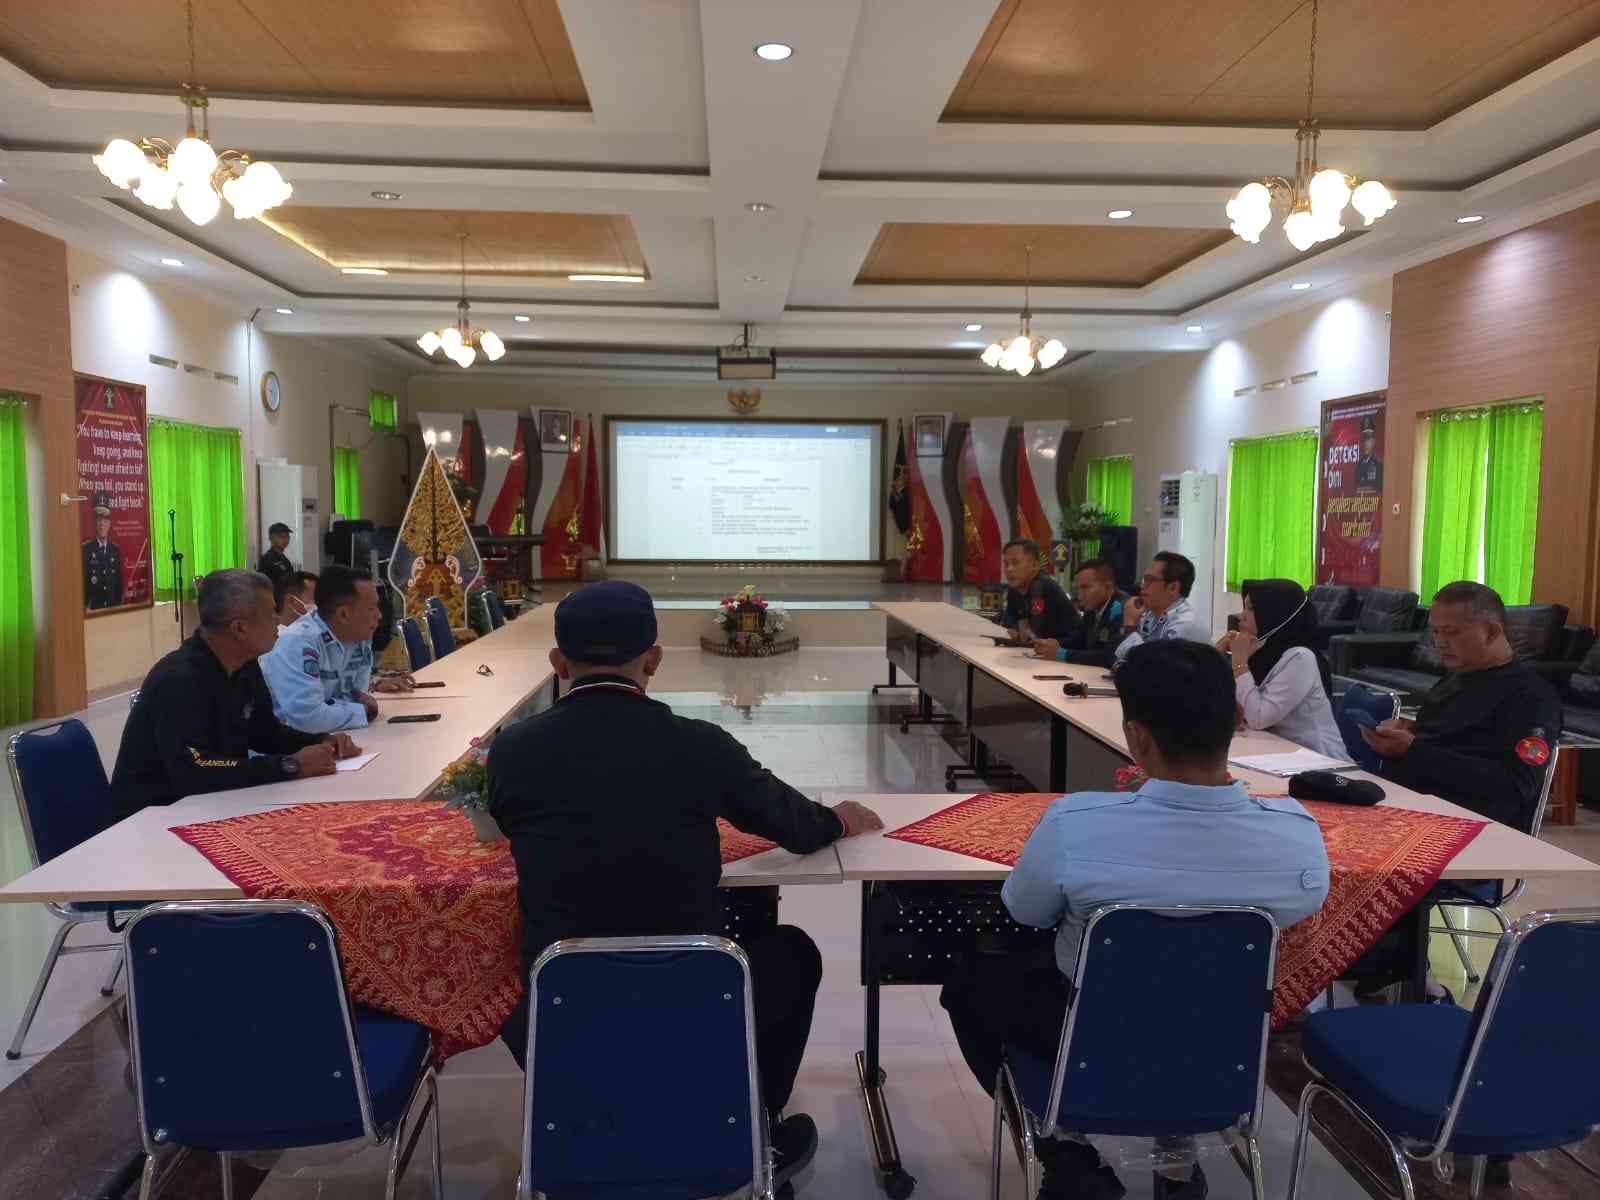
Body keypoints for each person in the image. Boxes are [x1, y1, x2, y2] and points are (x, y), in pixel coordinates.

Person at [487, 581, 884, 1191]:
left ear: (557, 662)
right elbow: (797, 827)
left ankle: (575, 1106)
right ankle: (754, 1123)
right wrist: (841, 820)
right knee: (789, 951)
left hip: (557, 1007)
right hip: (690, 1001)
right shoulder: (700, 746)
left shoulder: (513, 751)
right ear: (654, 657)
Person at [940, 640, 1330, 1200]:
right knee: (1192, 981)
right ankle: (1175, 1163)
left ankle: (1068, 1154)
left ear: (1137, 737)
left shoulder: (1074, 824)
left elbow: (1025, 910)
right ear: (1237, 721)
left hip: (1084, 1033)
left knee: (972, 983)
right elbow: (1301, 909)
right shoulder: (1297, 837)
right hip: (1220, 1039)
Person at [110, 570, 361, 822]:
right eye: (271, 612)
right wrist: (289, 765)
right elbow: (193, 770)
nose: (278, 620)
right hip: (151, 819)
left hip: (211, 807)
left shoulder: (244, 664)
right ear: (239, 628)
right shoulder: (179, 679)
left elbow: (266, 733)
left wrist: (320, 740)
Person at [1360, 581, 1562, 832]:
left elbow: (1516, 784)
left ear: (1491, 632)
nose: (1439, 642)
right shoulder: (1457, 677)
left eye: (1451, 632)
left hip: (1463, 826)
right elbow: (1448, 735)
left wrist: (1414, 750)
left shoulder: (1531, 697)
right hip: (1405, 806)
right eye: (1435, 632)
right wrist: (1407, 731)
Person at [260, 566, 413, 734]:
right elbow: (308, 719)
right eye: (371, 608)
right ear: (344, 615)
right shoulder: (298, 642)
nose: (379, 615)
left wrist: (344, 708)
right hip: (287, 750)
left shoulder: (359, 636)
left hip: (336, 736)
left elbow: (356, 696)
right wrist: (365, 711)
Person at [1218, 579, 1346, 759]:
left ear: (1275, 614)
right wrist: (1216, 656)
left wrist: (1239, 662)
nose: (1241, 616)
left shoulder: (1301, 658)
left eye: (1251, 609)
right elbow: (1226, 706)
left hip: (1320, 761)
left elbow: (1258, 717)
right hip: (1275, 752)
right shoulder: (1262, 650)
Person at [1113, 551, 1209, 662]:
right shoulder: (1149, 615)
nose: (1142, 586)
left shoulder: (1185, 625)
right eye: (1144, 579)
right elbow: (1119, 659)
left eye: (1150, 580)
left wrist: (1130, 625)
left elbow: (1154, 669)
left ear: (1173, 588)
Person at [1032, 558, 1127, 666]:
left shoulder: (1122, 610)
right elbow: (1079, 641)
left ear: (1108, 587)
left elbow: (1109, 657)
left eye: (1085, 587)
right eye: (1078, 589)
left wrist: (1062, 654)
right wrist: (1051, 645)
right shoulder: (1092, 609)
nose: (1079, 595)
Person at [995, 538, 1080, 643]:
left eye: (1015, 563)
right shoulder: (1014, 590)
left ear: (1035, 566)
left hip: (1065, 650)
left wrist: (1026, 632)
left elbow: (1037, 632)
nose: (1009, 569)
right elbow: (1010, 622)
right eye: (1006, 564)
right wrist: (1017, 629)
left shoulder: (1044, 587)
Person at [82, 492, 123, 610]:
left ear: (109, 524)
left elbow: (118, 586)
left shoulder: (115, 551)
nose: (102, 524)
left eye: (105, 519)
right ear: (95, 522)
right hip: (93, 612)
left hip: (112, 611)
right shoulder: (85, 550)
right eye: (99, 519)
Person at [1355, 415, 1382, 494]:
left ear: (1373, 441)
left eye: (1368, 439)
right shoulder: (1358, 465)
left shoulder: (1378, 465)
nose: (1366, 443)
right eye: (1364, 439)